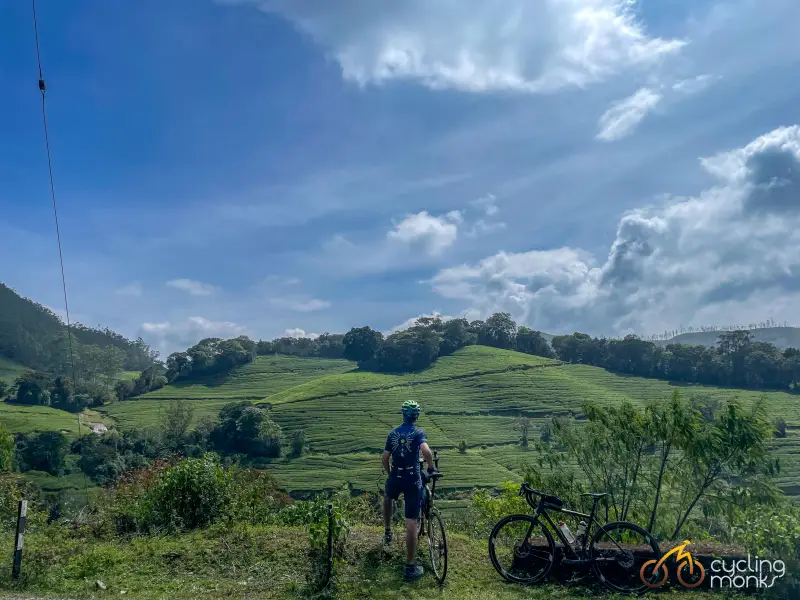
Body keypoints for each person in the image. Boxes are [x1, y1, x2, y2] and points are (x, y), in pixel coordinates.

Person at [382, 399, 436, 581]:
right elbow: (426, 451)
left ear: (403, 414)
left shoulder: (393, 433)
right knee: (412, 521)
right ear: (416, 416)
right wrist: (430, 467)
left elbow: (385, 458)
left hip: (396, 475)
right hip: (413, 478)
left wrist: (390, 473)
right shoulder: (419, 433)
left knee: (388, 496)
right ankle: (410, 567)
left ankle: (388, 531)